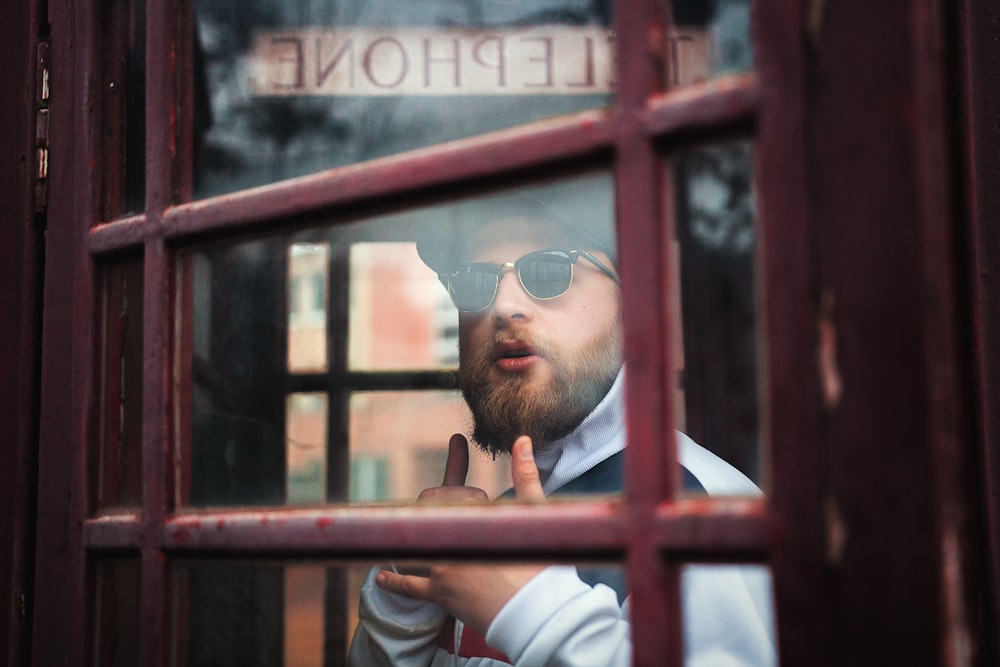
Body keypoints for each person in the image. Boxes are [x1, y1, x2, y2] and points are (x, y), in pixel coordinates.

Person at [348, 203, 776, 666]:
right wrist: (401, 596)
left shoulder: (700, 511)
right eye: (474, 281)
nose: (503, 308)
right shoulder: (489, 524)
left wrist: (533, 613)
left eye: (550, 270)